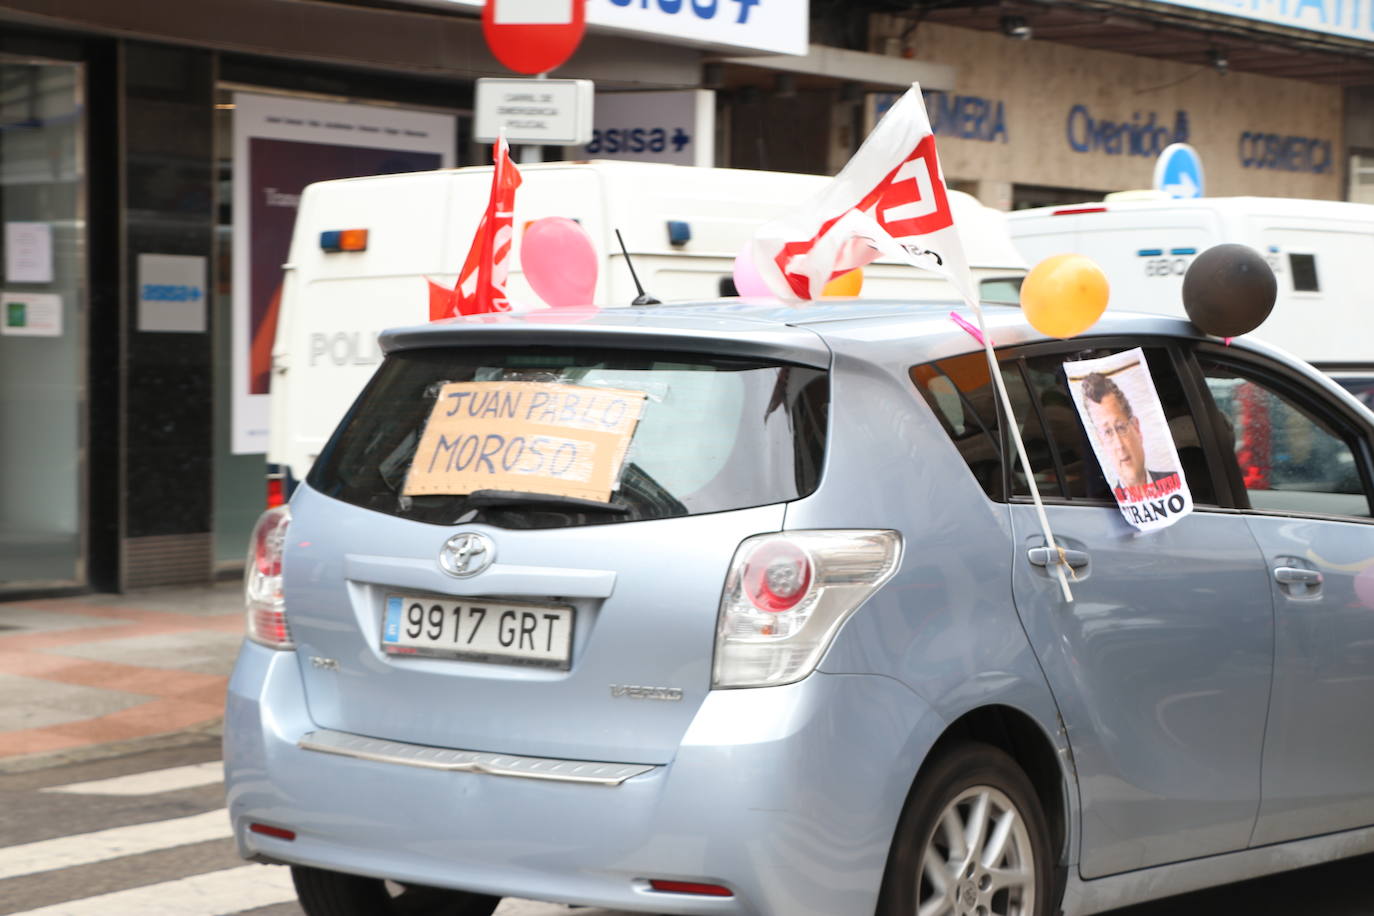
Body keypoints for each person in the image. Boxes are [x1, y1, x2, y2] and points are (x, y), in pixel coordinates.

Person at [1081, 371, 1172, 488]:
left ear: (1136, 427)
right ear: (1100, 441)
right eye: (1107, 432)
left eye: (1120, 428)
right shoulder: (1103, 500)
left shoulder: (1178, 484)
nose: (1119, 445)